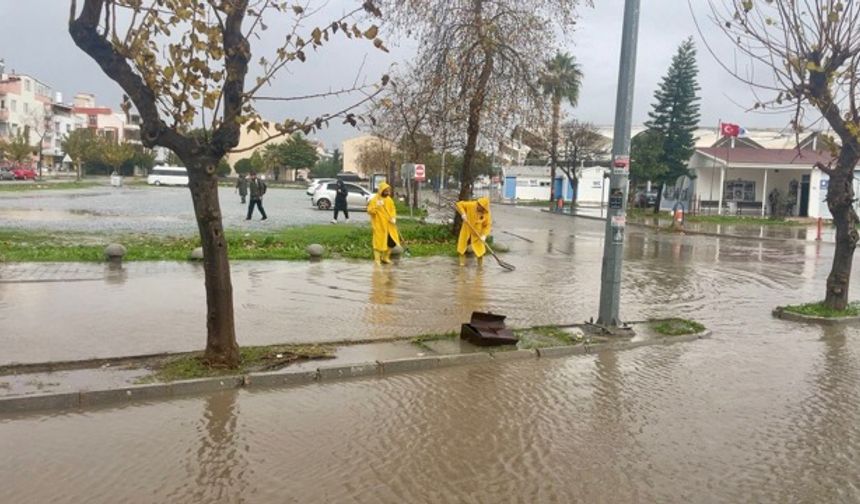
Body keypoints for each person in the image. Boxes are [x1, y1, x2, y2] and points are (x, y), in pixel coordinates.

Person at [366, 181, 400, 264]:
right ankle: (377, 260)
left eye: (388, 191)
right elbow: (370, 211)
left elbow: (393, 209)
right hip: (379, 225)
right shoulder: (375, 200)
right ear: (381, 190)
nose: (387, 192)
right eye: (386, 191)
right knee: (378, 242)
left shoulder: (389, 200)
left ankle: (385, 257)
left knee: (392, 242)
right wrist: (377, 206)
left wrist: (393, 218)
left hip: (389, 225)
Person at [456, 196, 492, 266]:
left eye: (480, 206)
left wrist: (484, 235)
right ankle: (462, 265)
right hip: (466, 231)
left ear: (483, 207)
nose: (478, 206)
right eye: (478, 204)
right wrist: (463, 214)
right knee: (462, 249)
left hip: (477, 234)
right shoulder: (472, 205)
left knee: (480, 251)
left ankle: (480, 267)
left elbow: (487, 226)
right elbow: (459, 204)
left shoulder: (486, 214)